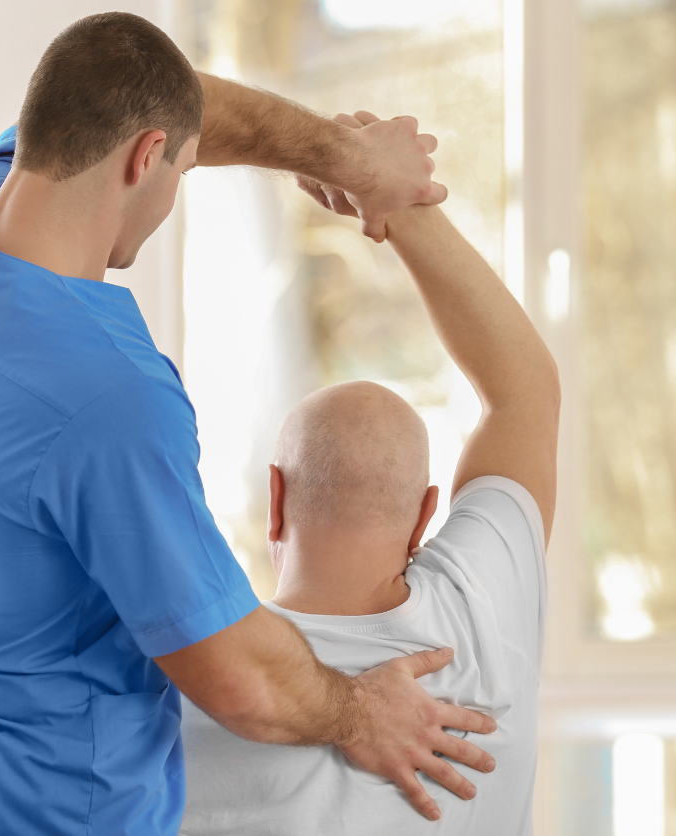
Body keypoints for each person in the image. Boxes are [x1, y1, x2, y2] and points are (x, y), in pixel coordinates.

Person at [0, 14, 498, 836]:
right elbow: (239, 678)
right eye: (182, 168)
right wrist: (360, 712)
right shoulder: (106, 397)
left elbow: (175, 102)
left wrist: (345, 159)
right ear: (146, 157)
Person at [179, 111, 561, 835]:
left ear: (276, 500)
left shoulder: (196, 677)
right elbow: (525, 393)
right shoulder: (485, 621)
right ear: (424, 515)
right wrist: (391, 200)